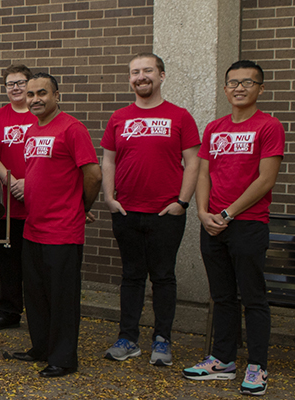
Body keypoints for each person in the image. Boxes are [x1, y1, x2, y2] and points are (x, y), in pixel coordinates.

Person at [183, 60, 282, 396]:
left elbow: (265, 180)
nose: (239, 88)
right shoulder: (214, 128)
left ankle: (257, 366)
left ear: (260, 88)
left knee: (253, 298)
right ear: (225, 89)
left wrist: (227, 214)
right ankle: (222, 361)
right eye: (233, 82)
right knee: (222, 296)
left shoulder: (268, 126)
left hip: (248, 224)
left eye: (248, 82)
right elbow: (203, 173)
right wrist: (202, 212)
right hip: (212, 224)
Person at [100, 53, 199, 366]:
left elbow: (193, 161)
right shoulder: (119, 117)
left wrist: (182, 202)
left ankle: (162, 340)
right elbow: (109, 160)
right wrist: (109, 198)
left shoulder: (180, 116)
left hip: (165, 213)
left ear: (161, 75)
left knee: (163, 277)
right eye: (134, 72)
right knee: (131, 276)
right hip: (126, 211)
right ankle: (128, 338)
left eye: (147, 71)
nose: (140, 77)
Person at [7, 72, 101, 378]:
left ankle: (63, 358)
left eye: (42, 93)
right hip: (33, 226)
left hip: (62, 230)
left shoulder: (73, 128)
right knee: (35, 293)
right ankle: (41, 348)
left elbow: (93, 174)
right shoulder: (32, 131)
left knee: (62, 298)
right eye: (31, 94)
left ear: (57, 95)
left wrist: (81, 207)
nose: (35, 99)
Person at [0, 64, 38, 332]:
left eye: (20, 82)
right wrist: (12, 182)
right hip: (7, 201)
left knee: (36, 261)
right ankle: (8, 310)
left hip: (39, 201)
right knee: (8, 259)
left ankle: (40, 312)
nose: (15, 88)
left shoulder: (40, 114)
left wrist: (31, 184)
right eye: (10, 84)